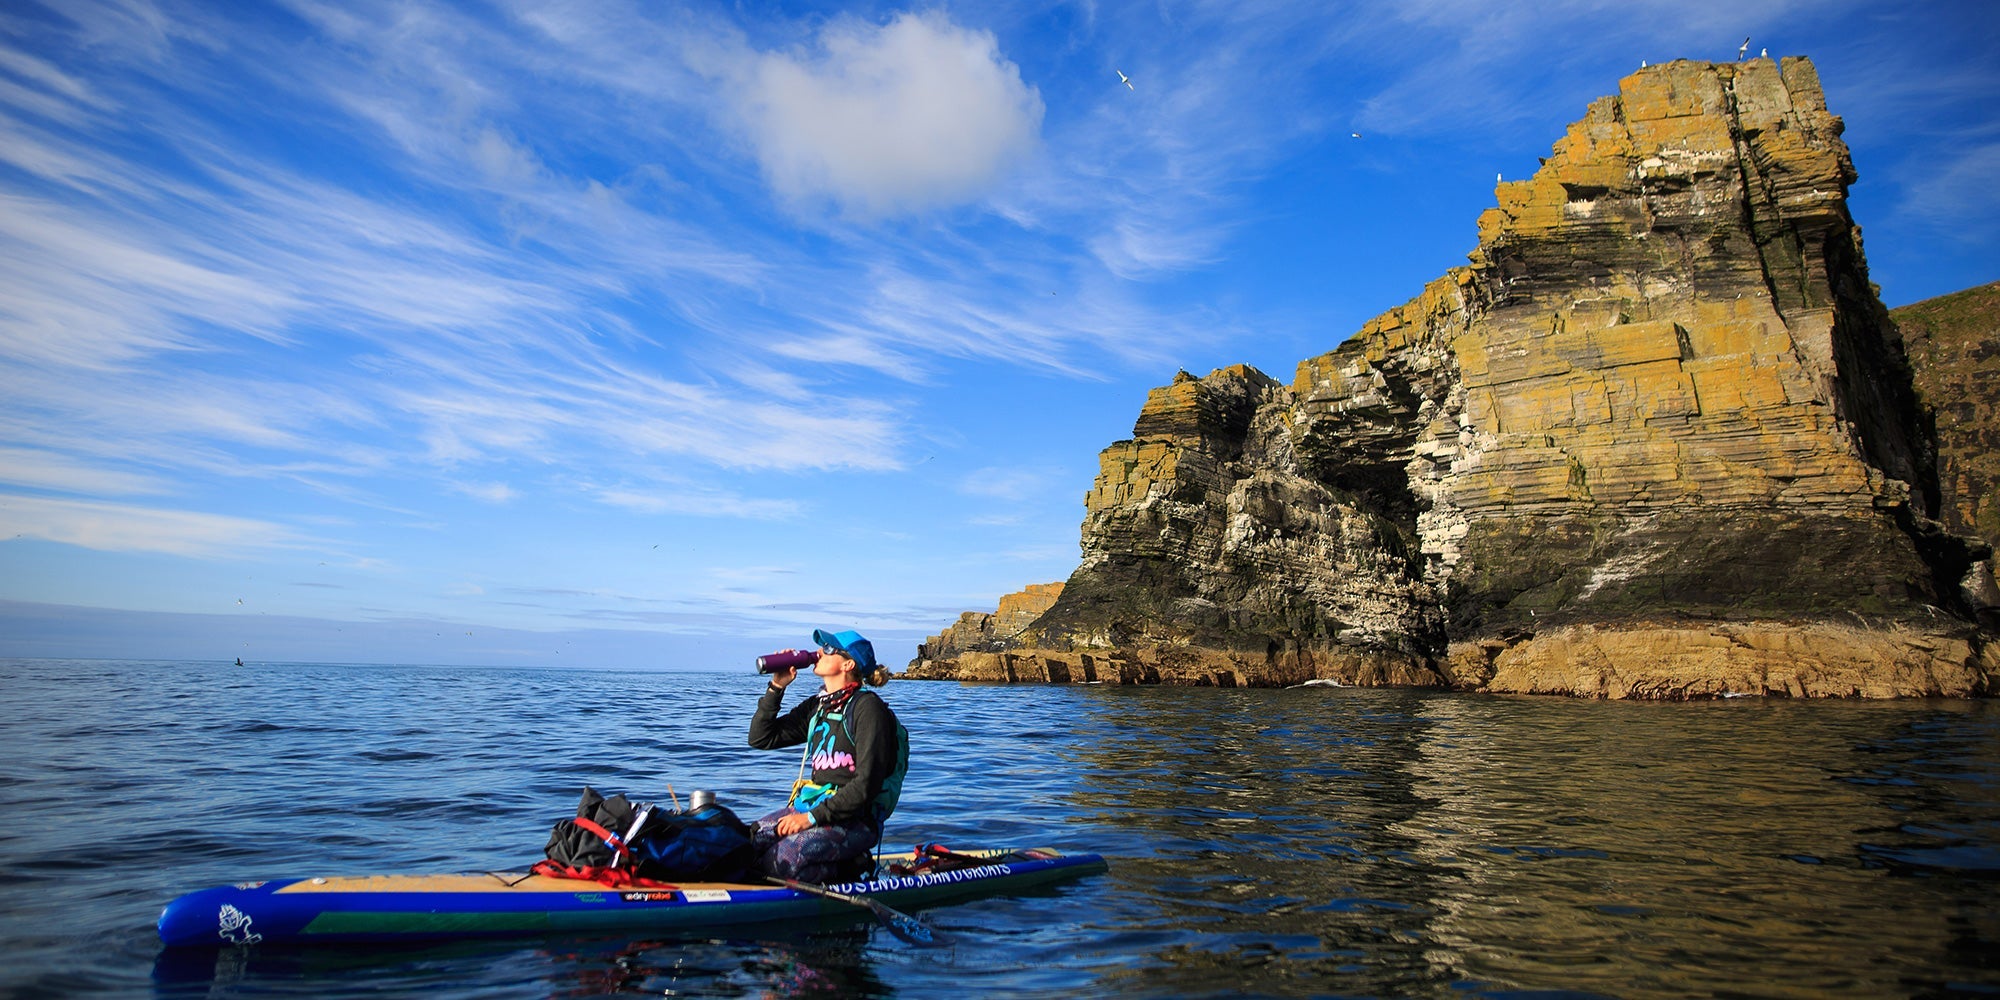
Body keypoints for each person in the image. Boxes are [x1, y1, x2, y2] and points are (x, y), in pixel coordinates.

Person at [746, 628, 900, 883]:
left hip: (855, 821)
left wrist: (809, 819)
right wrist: (776, 686)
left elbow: (866, 786)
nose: (819, 652)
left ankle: (851, 868)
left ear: (848, 663)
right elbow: (761, 738)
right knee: (749, 841)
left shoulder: (868, 709)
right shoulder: (818, 706)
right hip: (813, 809)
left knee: (784, 857)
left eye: (828, 649)